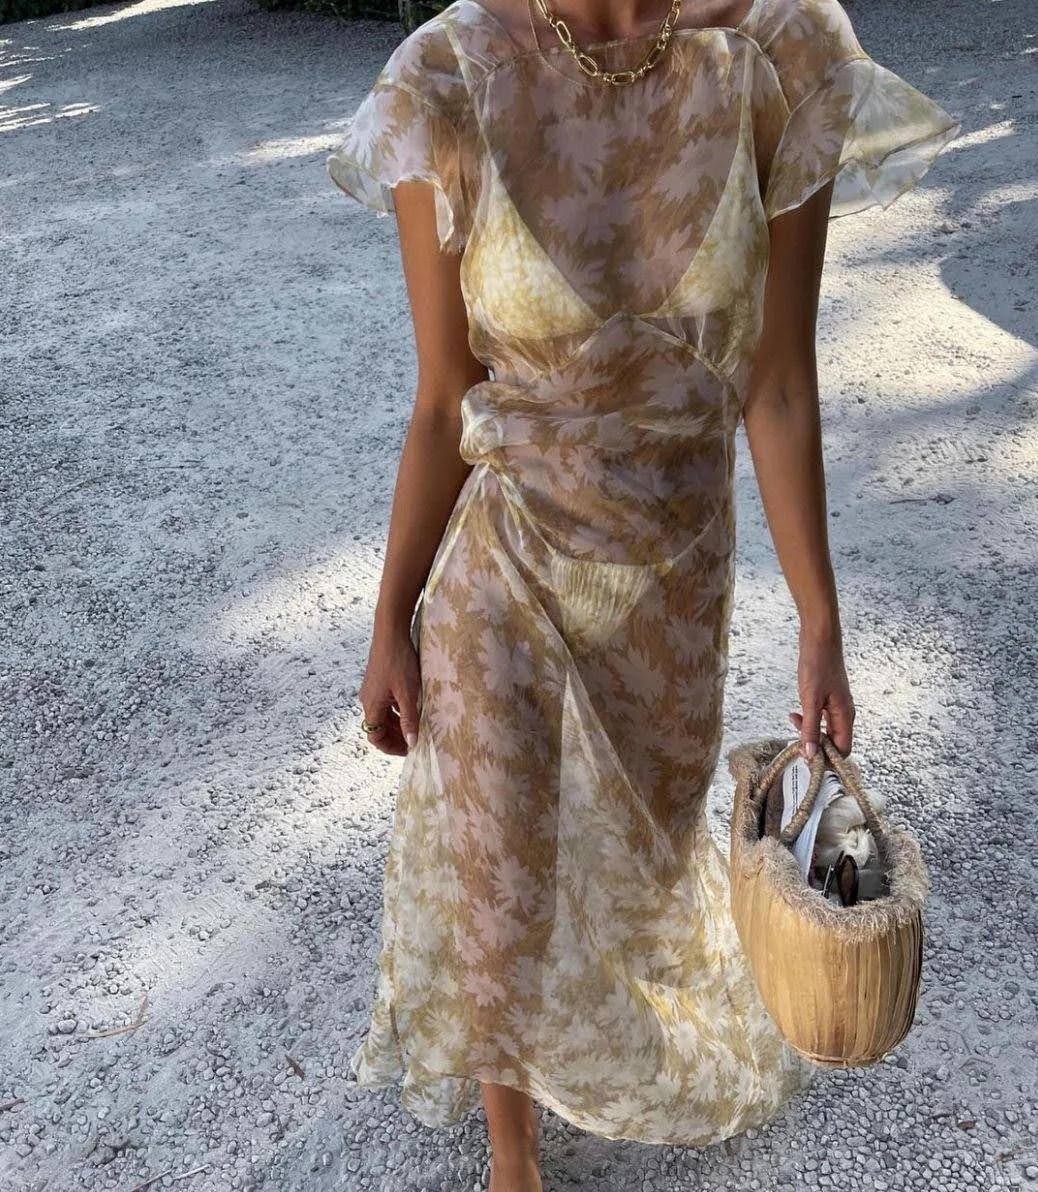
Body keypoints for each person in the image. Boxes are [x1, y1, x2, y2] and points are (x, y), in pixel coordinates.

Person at [326, 0, 960, 1186]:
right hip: (505, 560)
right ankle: (513, 1155)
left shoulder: (780, 54)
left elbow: (778, 383)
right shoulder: (446, 78)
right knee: (502, 852)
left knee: (651, 864)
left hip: (676, 578)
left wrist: (821, 619)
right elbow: (443, 396)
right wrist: (391, 616)